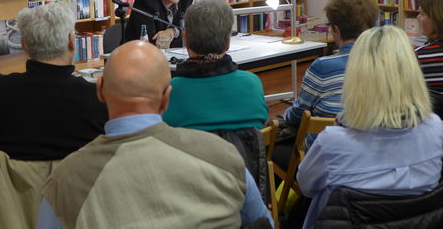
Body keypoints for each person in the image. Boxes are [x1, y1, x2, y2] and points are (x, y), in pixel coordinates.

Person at [37, 40, 273, 229]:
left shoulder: (65, 182)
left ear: (100, 91)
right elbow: (262, 222)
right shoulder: (224, 157)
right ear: (166, 97)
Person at [297, 25, 443, 229]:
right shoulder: (434, 128)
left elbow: (306, 187)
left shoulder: (333, 141)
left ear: (357, 76)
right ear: (412, 72)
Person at [0, 2, 108, 171]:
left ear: (24, 45)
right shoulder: (97, 98)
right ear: (72, 42)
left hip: (5, 195)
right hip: (76, 195)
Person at [281, 0, 379, 152]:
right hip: (376, 151)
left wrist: (284, 115)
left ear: (336, 30)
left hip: (327, 155)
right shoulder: (387, 63)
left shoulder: (323, 67)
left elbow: (299, 113)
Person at [163, 0, 268, 131]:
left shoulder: (172, 90)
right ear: (228, 42)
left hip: (194, 151)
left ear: (186, 40)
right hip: (246, 151)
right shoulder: (252, 82)